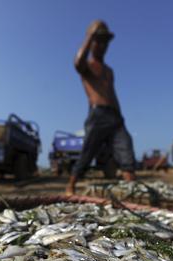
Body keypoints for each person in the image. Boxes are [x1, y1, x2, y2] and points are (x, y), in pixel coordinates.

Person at [66, 20, 136, 195]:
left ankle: (132, 190)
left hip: (115, 116)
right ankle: (71, 186)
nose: (102, 45)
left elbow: (112, 94)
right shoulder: (87, 66)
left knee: (125, 147)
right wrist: (89, 35)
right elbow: (77, 62)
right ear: (92, 43)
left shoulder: (109, 71)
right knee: (88, 151)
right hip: (98, 115)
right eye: (98, 41)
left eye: (105, 42)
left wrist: (120, 116)